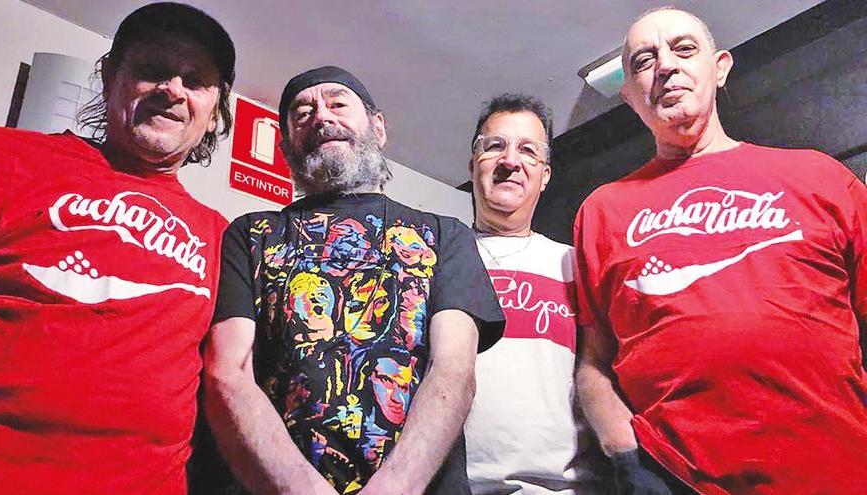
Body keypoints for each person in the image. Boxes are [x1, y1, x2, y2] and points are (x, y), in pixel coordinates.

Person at [574, 7, 867, 495]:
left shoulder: (820, 177)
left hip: (838, 469)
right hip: (676, 477)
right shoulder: (601, 211)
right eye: (644, 60)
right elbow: (593, 363)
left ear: (721, 67)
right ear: (629, 96)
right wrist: (623, 448)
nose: (665, 66)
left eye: (683, 49)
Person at [204, 65, 505, 495]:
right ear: (286, 147)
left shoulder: (445, 235)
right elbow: (228, 373)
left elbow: (454, 369)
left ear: (378, 127)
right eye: (303, 113)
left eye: (338, 104)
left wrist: (396, 486)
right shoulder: (251, 234)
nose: (321, 117)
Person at [0, 2, 235, 493]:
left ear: (213, 114)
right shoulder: (5, 157)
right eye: (153, 69)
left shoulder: (224, 237)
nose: (173, 89)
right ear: (109, 78)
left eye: (195, 80)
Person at [463, 94, 603, 494]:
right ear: (473, 165)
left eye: (528, 150)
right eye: (495, 146)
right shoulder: (433, 260)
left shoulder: (575, 265)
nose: (510, 160)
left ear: (544, 175)